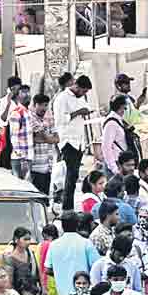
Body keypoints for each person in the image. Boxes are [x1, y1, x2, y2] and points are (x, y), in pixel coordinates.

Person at [52, 75, 94, 211]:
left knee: (73, 176)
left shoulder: (80, 98)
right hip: (67, 141)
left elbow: (85, 108)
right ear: (76, 86)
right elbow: (60, 120)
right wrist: (78, 112)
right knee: (70, 175)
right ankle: (66, 208)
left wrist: (86, 111)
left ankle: (67, 206)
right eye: (83, 91)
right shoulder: (62, 98)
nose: (84, 94)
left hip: (79, 142)